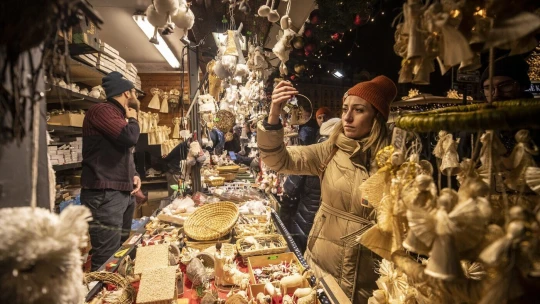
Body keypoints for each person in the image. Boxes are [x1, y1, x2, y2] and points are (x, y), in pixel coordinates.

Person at [258, 76, 397, 303]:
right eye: (344, 109)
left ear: (377, 117)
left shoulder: (394, 162)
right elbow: (277, 160)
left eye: (359, 110)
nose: (347, 117)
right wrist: (274, 115)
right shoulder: (329, 150)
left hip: (369, 280)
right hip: (322, 266)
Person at [81, 71, 141, 271]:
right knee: (106, 257)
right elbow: (128, 138)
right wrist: (133, 119)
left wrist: (134, 174)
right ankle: (103, 298)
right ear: (126, 93)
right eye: (134, 92)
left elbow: (123, 151)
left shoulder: (116, 115)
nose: (135, 97)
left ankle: (116, 293)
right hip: (105, 195)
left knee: (119, 251)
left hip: (119, 193)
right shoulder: (102, 111)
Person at [279, 117, 340, 253]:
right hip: (329, 225)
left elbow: (291, 188)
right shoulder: (344, 158)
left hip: (305, 219)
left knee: (300, 257)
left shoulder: (315, 154)